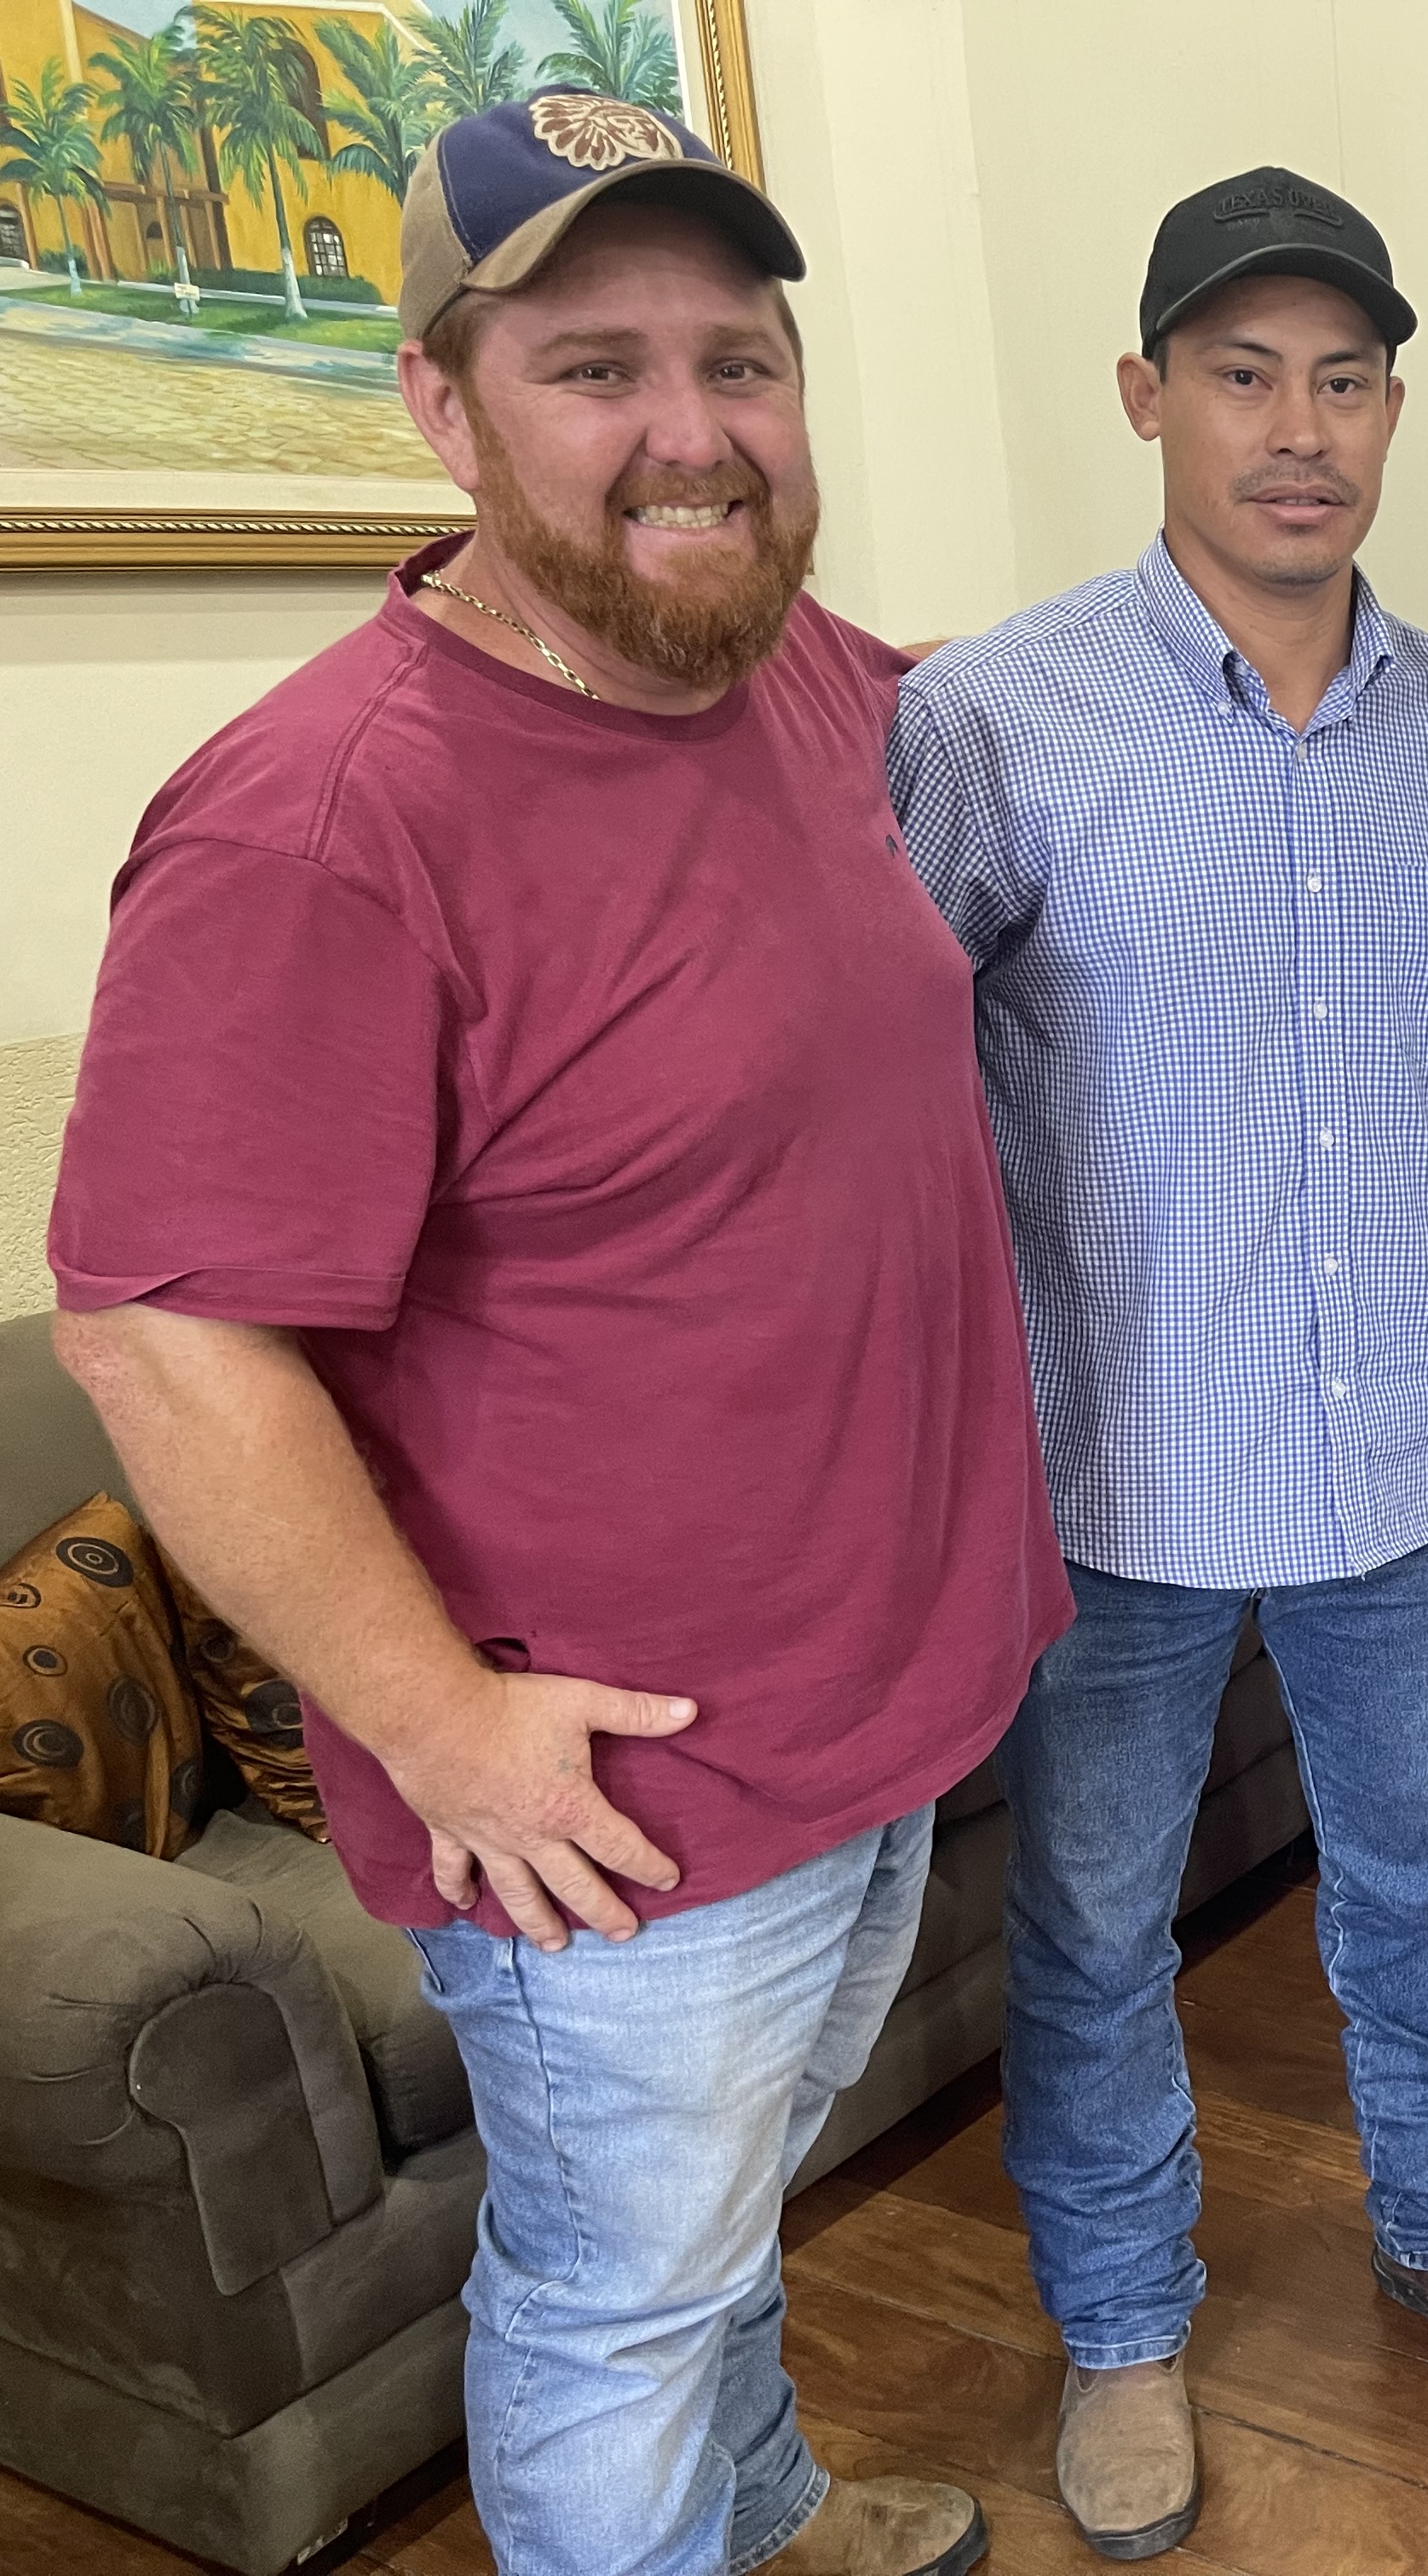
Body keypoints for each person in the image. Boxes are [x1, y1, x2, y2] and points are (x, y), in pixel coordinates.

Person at [48, 92, 1067, 2576]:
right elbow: (163, 1338)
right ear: (440, 400)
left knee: (722, 2234)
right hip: (612, 1795)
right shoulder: (319, 822)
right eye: (597, 367)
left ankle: (769, 2514)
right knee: (621, 2299)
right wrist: (439, 1724)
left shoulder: (793, 677)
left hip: (866, 1708)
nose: (693, 430)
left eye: (742, 360)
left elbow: (1017, 726)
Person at [884, 168, 1428, 2564]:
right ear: (1146, 398)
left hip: (1392, 1449)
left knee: (1419, 1881)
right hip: (1113, 1471)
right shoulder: (991, 720)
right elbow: (876, 1073)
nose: (1301, 430)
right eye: (1243, 375)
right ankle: (1120, 2328)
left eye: (1346, 380)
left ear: (1394, 410)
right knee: (1095, 1929)